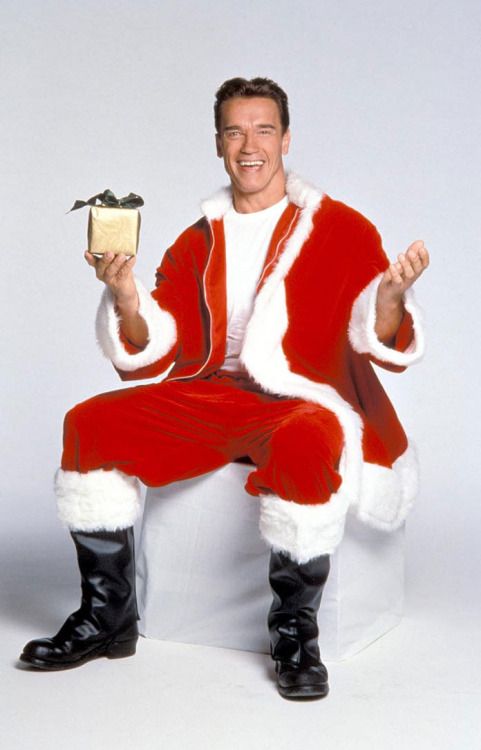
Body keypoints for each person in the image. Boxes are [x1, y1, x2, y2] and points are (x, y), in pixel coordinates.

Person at [19, 77, 429, 700]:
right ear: (218, 143)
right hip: (212, 396)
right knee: (89, 423)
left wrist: (392, 296)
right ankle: (108, 618)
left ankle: (294, 635)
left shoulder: (340, 228)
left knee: (309, 441)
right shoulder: (198, 240)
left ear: (286, 139)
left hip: (303, 401)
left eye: (264, 130)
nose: (249, 145)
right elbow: (156, 346)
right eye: (235, 131)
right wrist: (125, 296)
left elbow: (379, 336)